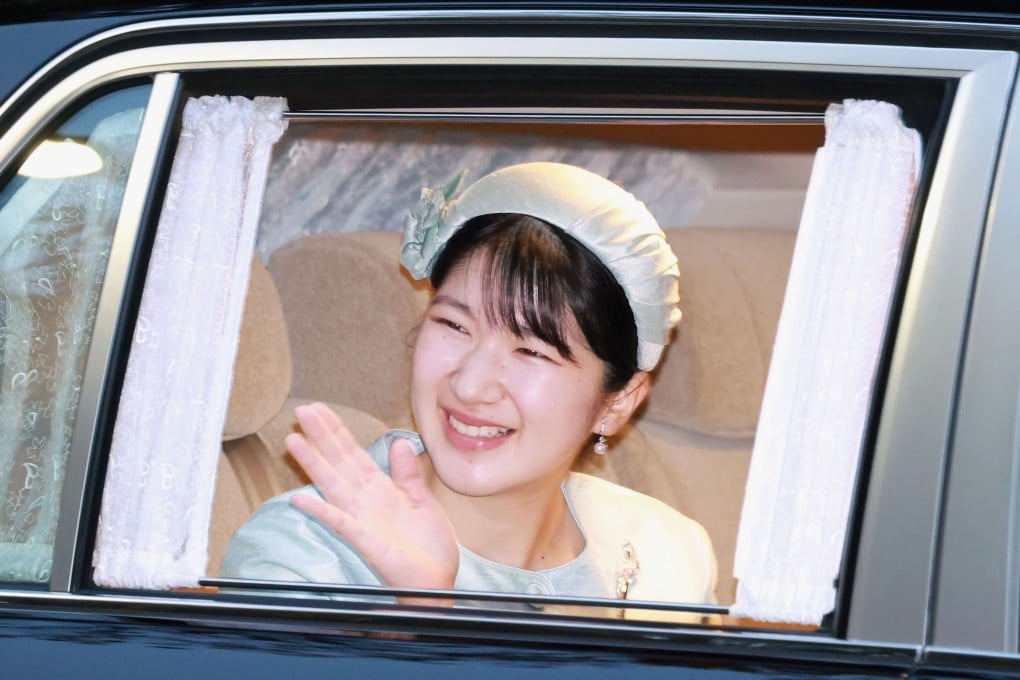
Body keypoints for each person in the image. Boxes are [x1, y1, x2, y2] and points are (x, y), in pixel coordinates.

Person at [221, 162, 717, 619]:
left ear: (617, 403)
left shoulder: (670, 558)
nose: (471, 385)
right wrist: (416, 618)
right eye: (455, 326)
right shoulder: (302, 555)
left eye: (532, 352)